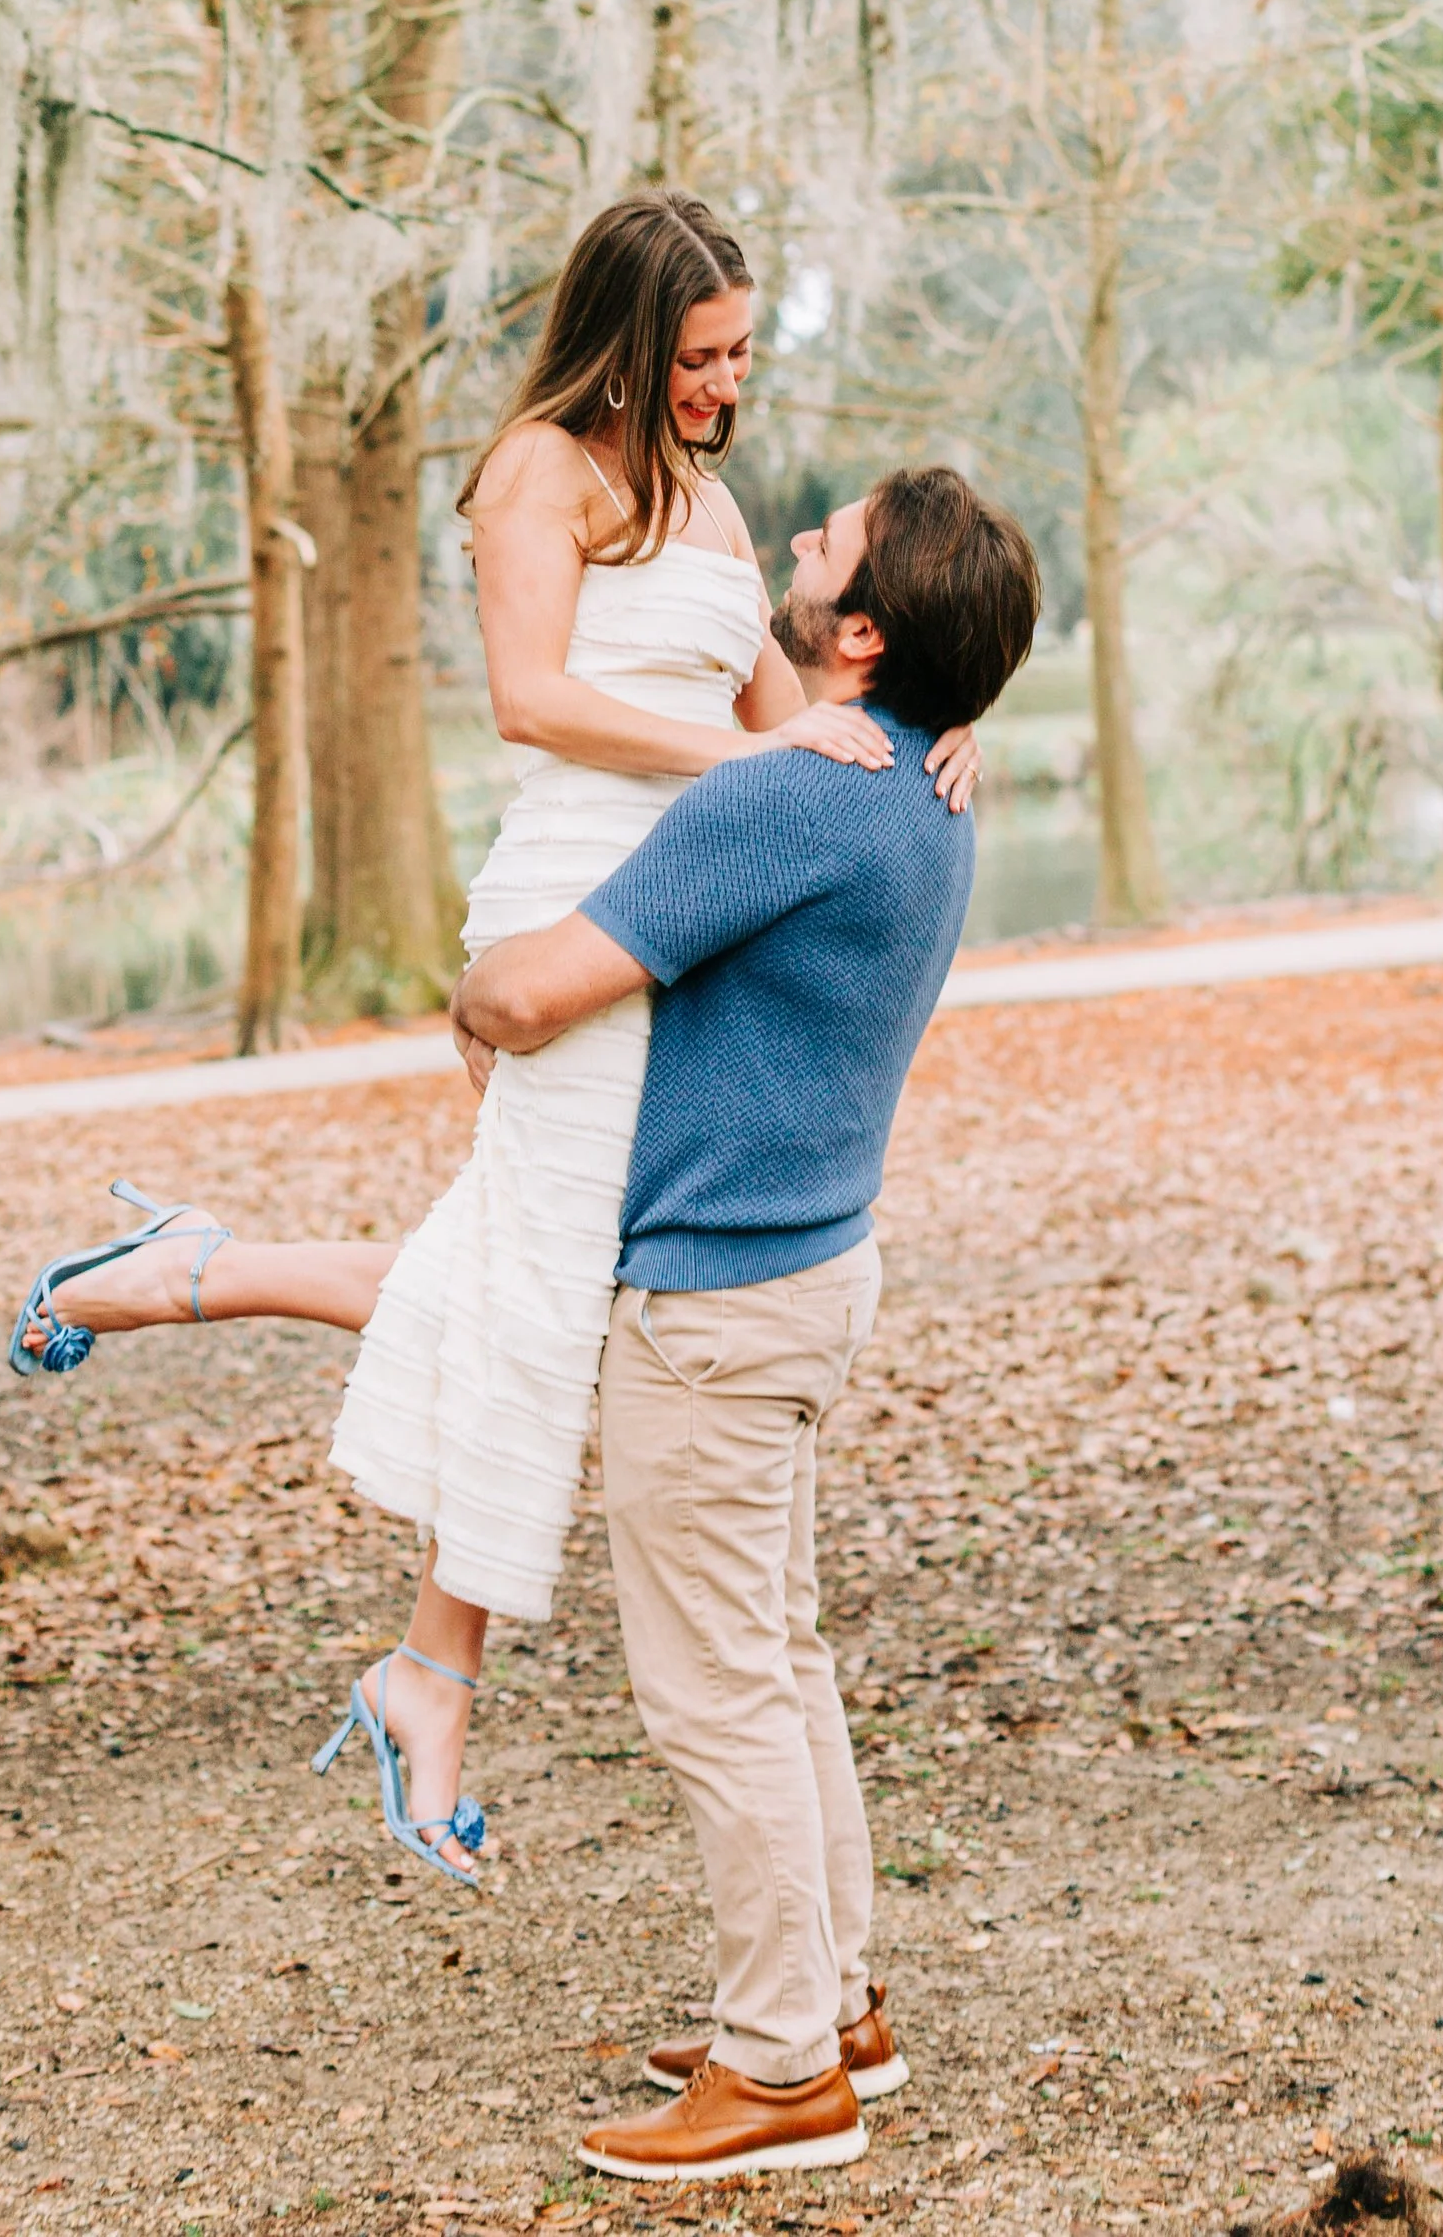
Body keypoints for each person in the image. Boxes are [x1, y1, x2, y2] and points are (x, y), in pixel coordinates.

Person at [5, 192, 979, 1883]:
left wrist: (945, 732)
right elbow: (535, 697)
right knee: (550, 1295)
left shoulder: (715, 504)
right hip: (569, 907)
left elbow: (799, 714)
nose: (725, 385)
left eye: (743, 353)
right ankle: (424, 1669)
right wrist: (759, 769)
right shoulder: (537, 470)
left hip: (684, 919)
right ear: (627, 338)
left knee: (538, 1283)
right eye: (699, 355)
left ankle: (204, 1280)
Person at [448, 464, 1041, 2184]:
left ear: (858, 632)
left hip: (713, 1304)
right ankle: (834, 2000)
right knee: (779, 1660)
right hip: (812, 1275)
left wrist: (472, 981)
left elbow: (533, 988)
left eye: (827, 540)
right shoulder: (931, 791)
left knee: (716, 1690)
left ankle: (783, 2068)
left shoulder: (785, 800)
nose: (789, 538)